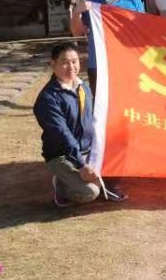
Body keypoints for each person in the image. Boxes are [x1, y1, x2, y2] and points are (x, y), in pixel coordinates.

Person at [33, 42, 121, 207]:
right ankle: (61, 186)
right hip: (63, 154)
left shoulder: (83, 87)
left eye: (75, 61)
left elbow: (95, 118)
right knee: (89, 192)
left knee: (121, 153)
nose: (71, 67)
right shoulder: (48, 98)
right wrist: (81, 164)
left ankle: (103, 183)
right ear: (53, 64)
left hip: (88, 149)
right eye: (65, 62)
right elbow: (62, 135)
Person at [70, 0, 144, 95]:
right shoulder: (89, 4)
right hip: (99, 65)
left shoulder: (134, 2)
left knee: (130, 102)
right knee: (101, 104)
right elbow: (78, 33)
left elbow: (143, 33)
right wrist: (77, 13)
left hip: (129, 62)